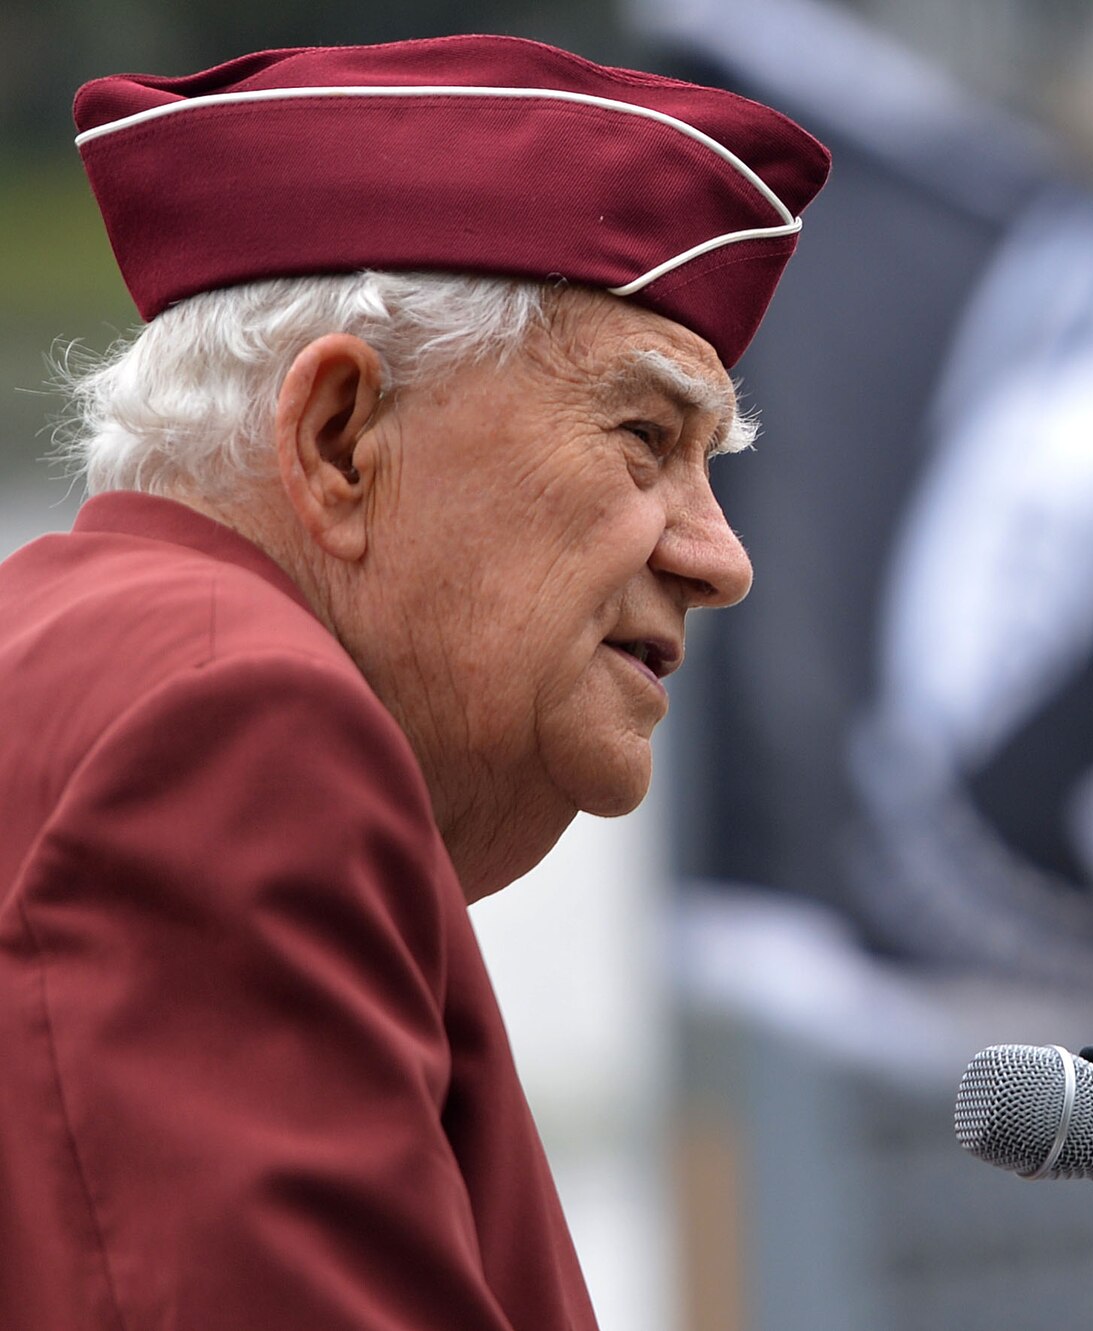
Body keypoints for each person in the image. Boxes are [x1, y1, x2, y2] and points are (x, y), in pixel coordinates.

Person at [0, 34, 827, 1330]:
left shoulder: (87, 666)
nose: (720, 559)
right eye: (645, 439)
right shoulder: (231, 726)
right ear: (338, 439)